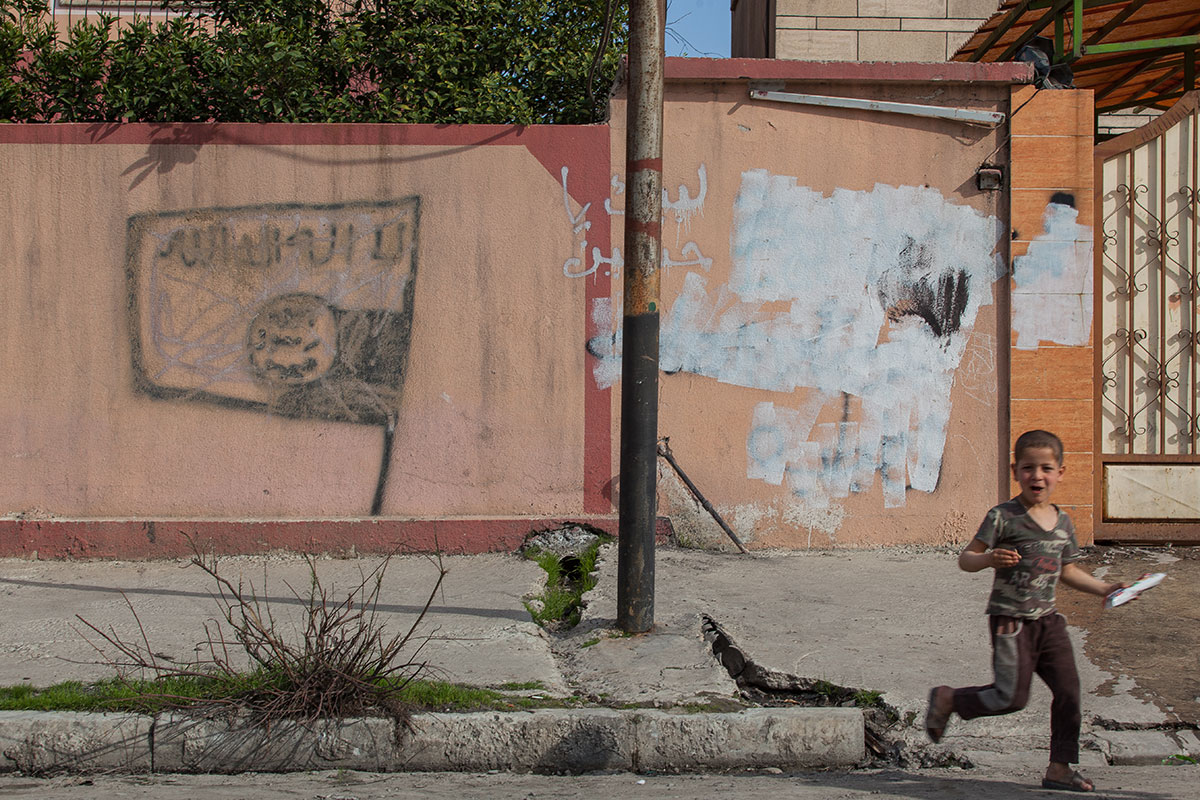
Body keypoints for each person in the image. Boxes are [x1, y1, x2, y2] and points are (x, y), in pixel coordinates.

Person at [924, 430, 1130, 793]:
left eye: (1046, 468)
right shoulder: (1002, 516)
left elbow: (1067, 571)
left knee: (1069, 691)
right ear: (1015, 470)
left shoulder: (1064, 523)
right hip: (1010, 622)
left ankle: (1060, 768)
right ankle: (949, 699)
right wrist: (989, 559)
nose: (1038, 476)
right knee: (1010, 698)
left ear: (1061, 472)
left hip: (1049, 623)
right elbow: (966, 559)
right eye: (1029, 468)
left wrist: (1104, 588)